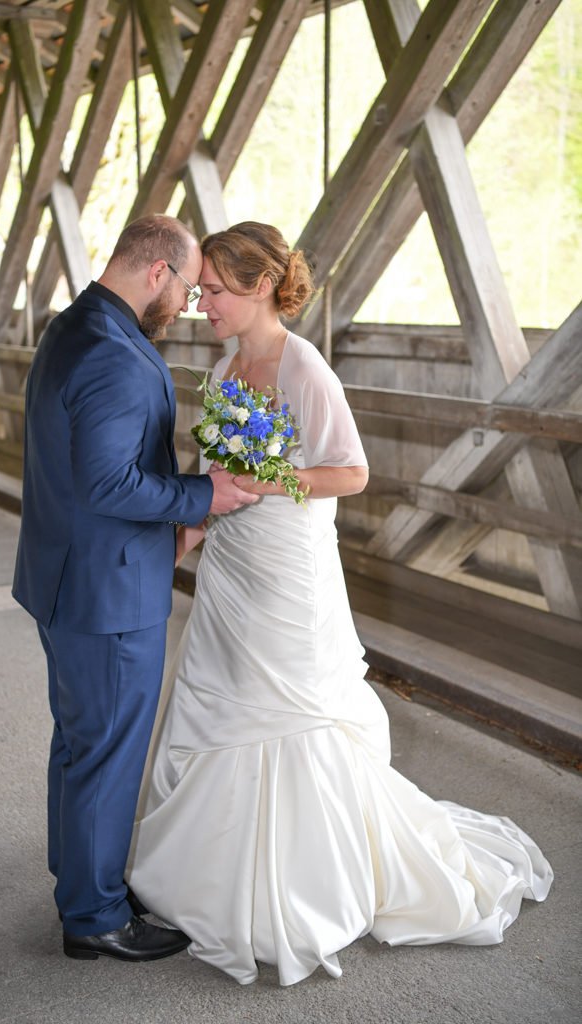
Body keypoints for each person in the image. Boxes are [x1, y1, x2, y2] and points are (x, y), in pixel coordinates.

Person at [126, 222, 553, 986]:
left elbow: (350, 472)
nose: (201, 305)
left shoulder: (305, 368)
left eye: (214, 291)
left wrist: (272, 481)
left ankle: (302, 886)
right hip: (230, 566)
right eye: (198, 293)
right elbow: (207, 471)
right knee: (219, 703)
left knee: (291, 714)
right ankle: (205, 876)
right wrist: (180, 544)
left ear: (258, 287)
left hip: (288, 566)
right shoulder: (225, 370)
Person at [12, 214, 257, 964]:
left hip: (66, 575)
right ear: (156, 271)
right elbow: (109, 481)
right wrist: (200, 497)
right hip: (107, 591)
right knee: (108, 751)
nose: (185, 303)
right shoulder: (115, 355)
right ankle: (93, 916)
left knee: (80, 740)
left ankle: (77, 876)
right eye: (186, 287)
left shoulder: (75, 323)